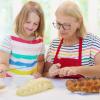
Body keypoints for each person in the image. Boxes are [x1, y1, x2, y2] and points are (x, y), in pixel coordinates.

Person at [44, 1, 100, 78]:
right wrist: (50, 73)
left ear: (79, 23)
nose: (61, 29)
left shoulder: (92, 41)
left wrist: (77, 70)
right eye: (58, 24)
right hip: (57, 90)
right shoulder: (54, 44)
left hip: (83, 89)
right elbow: (44, 74)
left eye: (66, 25)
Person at [0, 1, 45, 78]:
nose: (31, 26)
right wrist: (2, 69)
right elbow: (3, 63)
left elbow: (40, 61)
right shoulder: (9, 39)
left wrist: (38, 73)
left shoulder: (39, 42)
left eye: (35, 24)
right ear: (21, 19)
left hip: (29, 82)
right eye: (28, 22)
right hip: (11, 81)